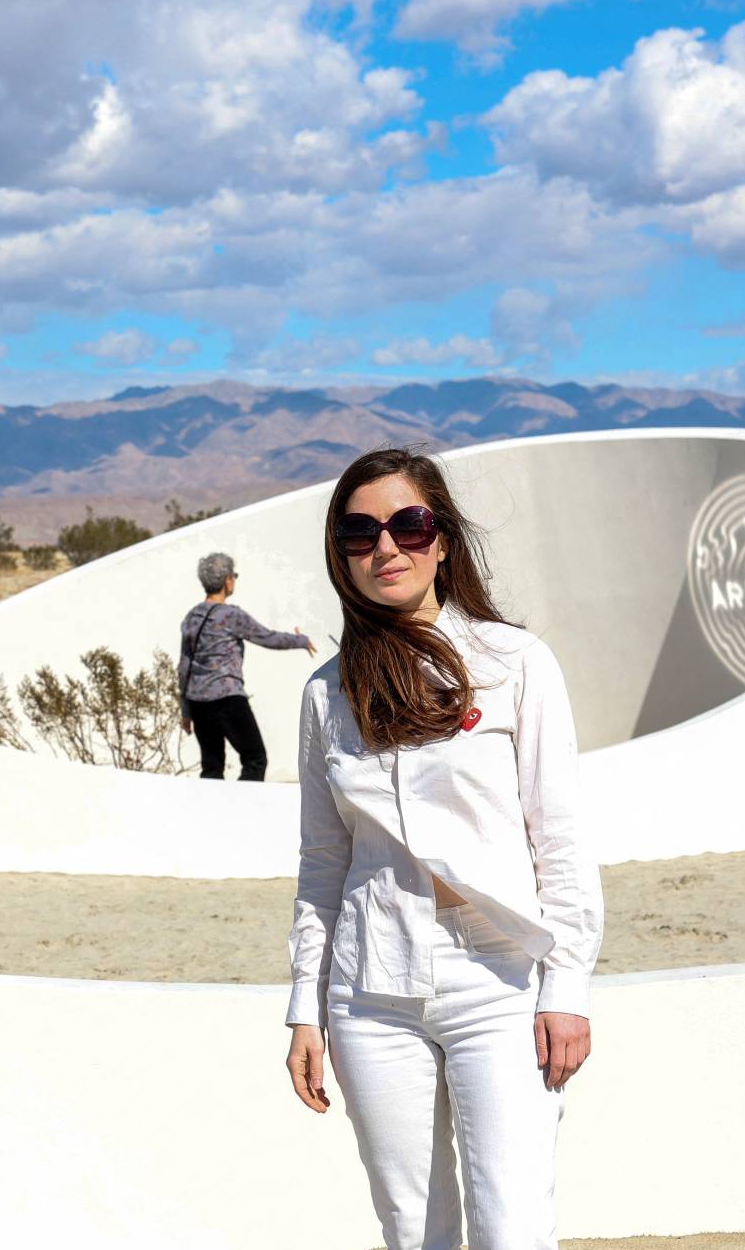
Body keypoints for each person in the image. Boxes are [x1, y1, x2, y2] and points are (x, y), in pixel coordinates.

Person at [283, 448, 604, 1250]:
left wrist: (567, 983)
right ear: (341, 553)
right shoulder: (327, 694)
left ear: (444, 538)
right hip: (369, 989)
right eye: (360, 532)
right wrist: (305, 1007)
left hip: (499, 982)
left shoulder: (513, 663)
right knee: (413, 1231)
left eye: (409, 524)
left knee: (511, 1228)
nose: (385, 547)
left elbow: (559, 837)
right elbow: (323, 864)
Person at [176, 552, 315, 780]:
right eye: (234, 576)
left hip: (198, 702)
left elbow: (184, 666)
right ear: (227, 581)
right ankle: (240, 803)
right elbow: (267, 638)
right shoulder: (231, 615)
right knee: (255, 758)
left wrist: (186, 710)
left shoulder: (192, 616)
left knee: (212, 767)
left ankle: (213, 804)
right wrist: (300, 640)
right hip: (228, 699)